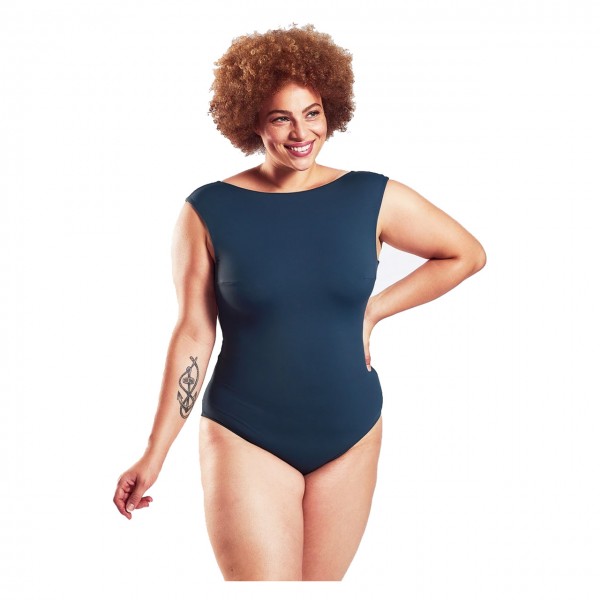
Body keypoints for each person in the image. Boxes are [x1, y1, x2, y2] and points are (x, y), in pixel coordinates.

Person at [113, 23, 486, 581]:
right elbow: (194, 332)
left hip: (351, 431)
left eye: (312, 113)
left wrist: (374, 310)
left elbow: (465, 254)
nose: (300, 132)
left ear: (330, 110)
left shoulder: (371, 195)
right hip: (246, 431)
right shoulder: (208, 210)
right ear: (252, 121)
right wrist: (154, 452)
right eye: (280, 118)